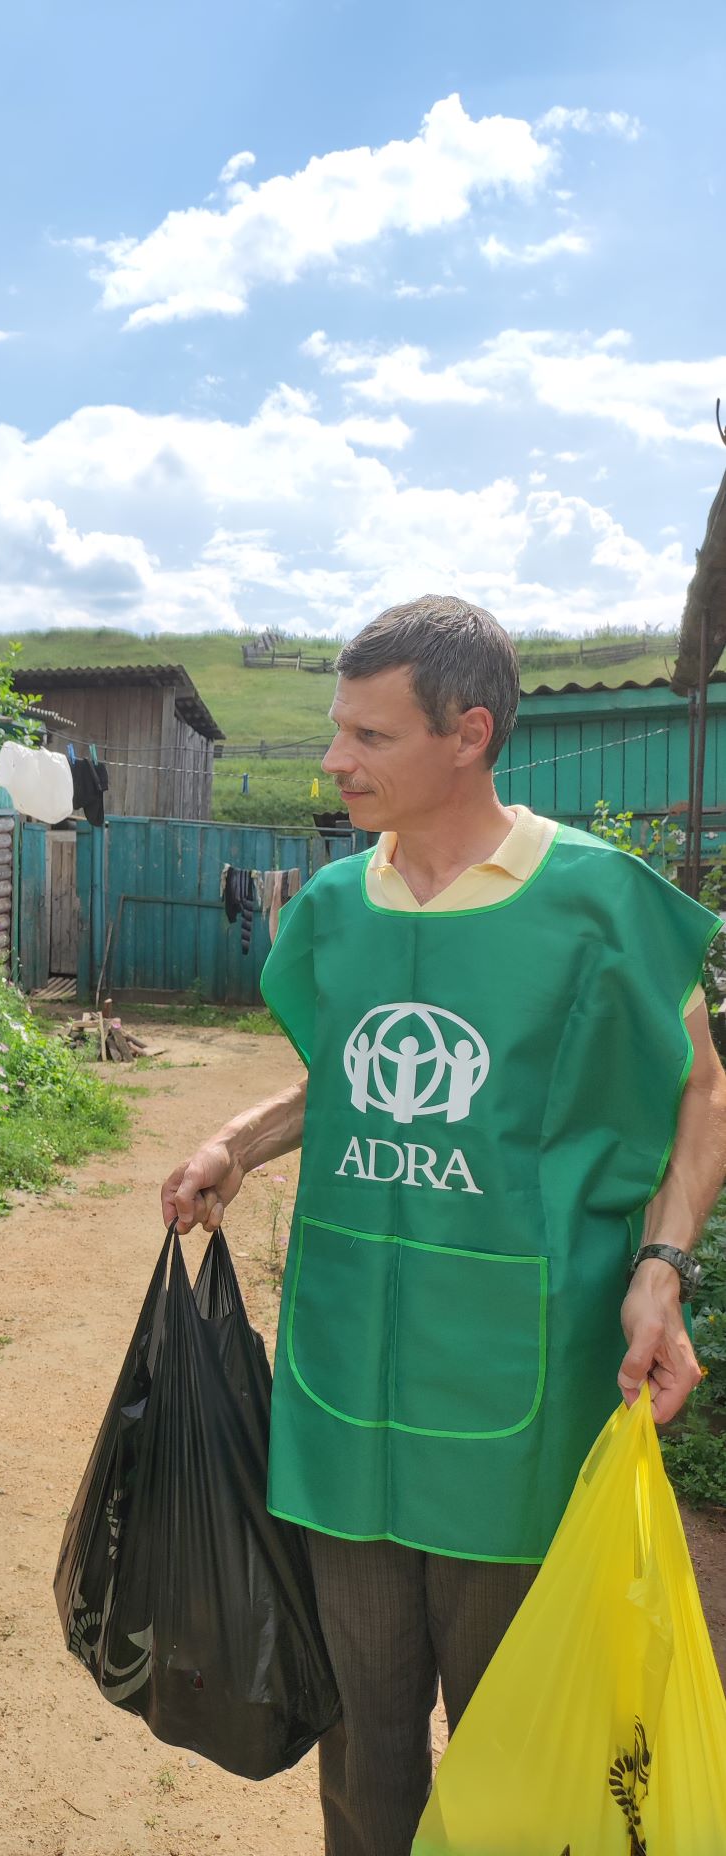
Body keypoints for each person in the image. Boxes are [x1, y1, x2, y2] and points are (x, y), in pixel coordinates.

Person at [161, 595, 726, 1856]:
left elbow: (700, 1087)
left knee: (511, 1736)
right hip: (344, 1379)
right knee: (363, 1744)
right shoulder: (336, 910)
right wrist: (234, 1144)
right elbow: (355, 1076)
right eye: (336, 730)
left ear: (468, 733)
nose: (334, 761)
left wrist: (663, 1262)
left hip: (519, 1389)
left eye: (368, 734)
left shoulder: (595, 903)